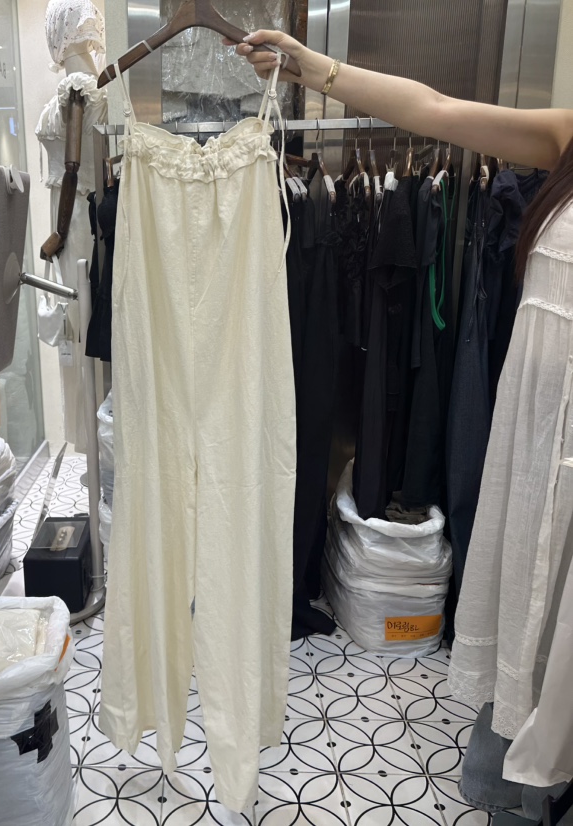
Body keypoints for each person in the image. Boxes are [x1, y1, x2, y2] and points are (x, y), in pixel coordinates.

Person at [231, 30, 573, 753]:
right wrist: (313, 68)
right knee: (533, 626)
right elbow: (436, 109)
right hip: (535, 447)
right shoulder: (568, 137)